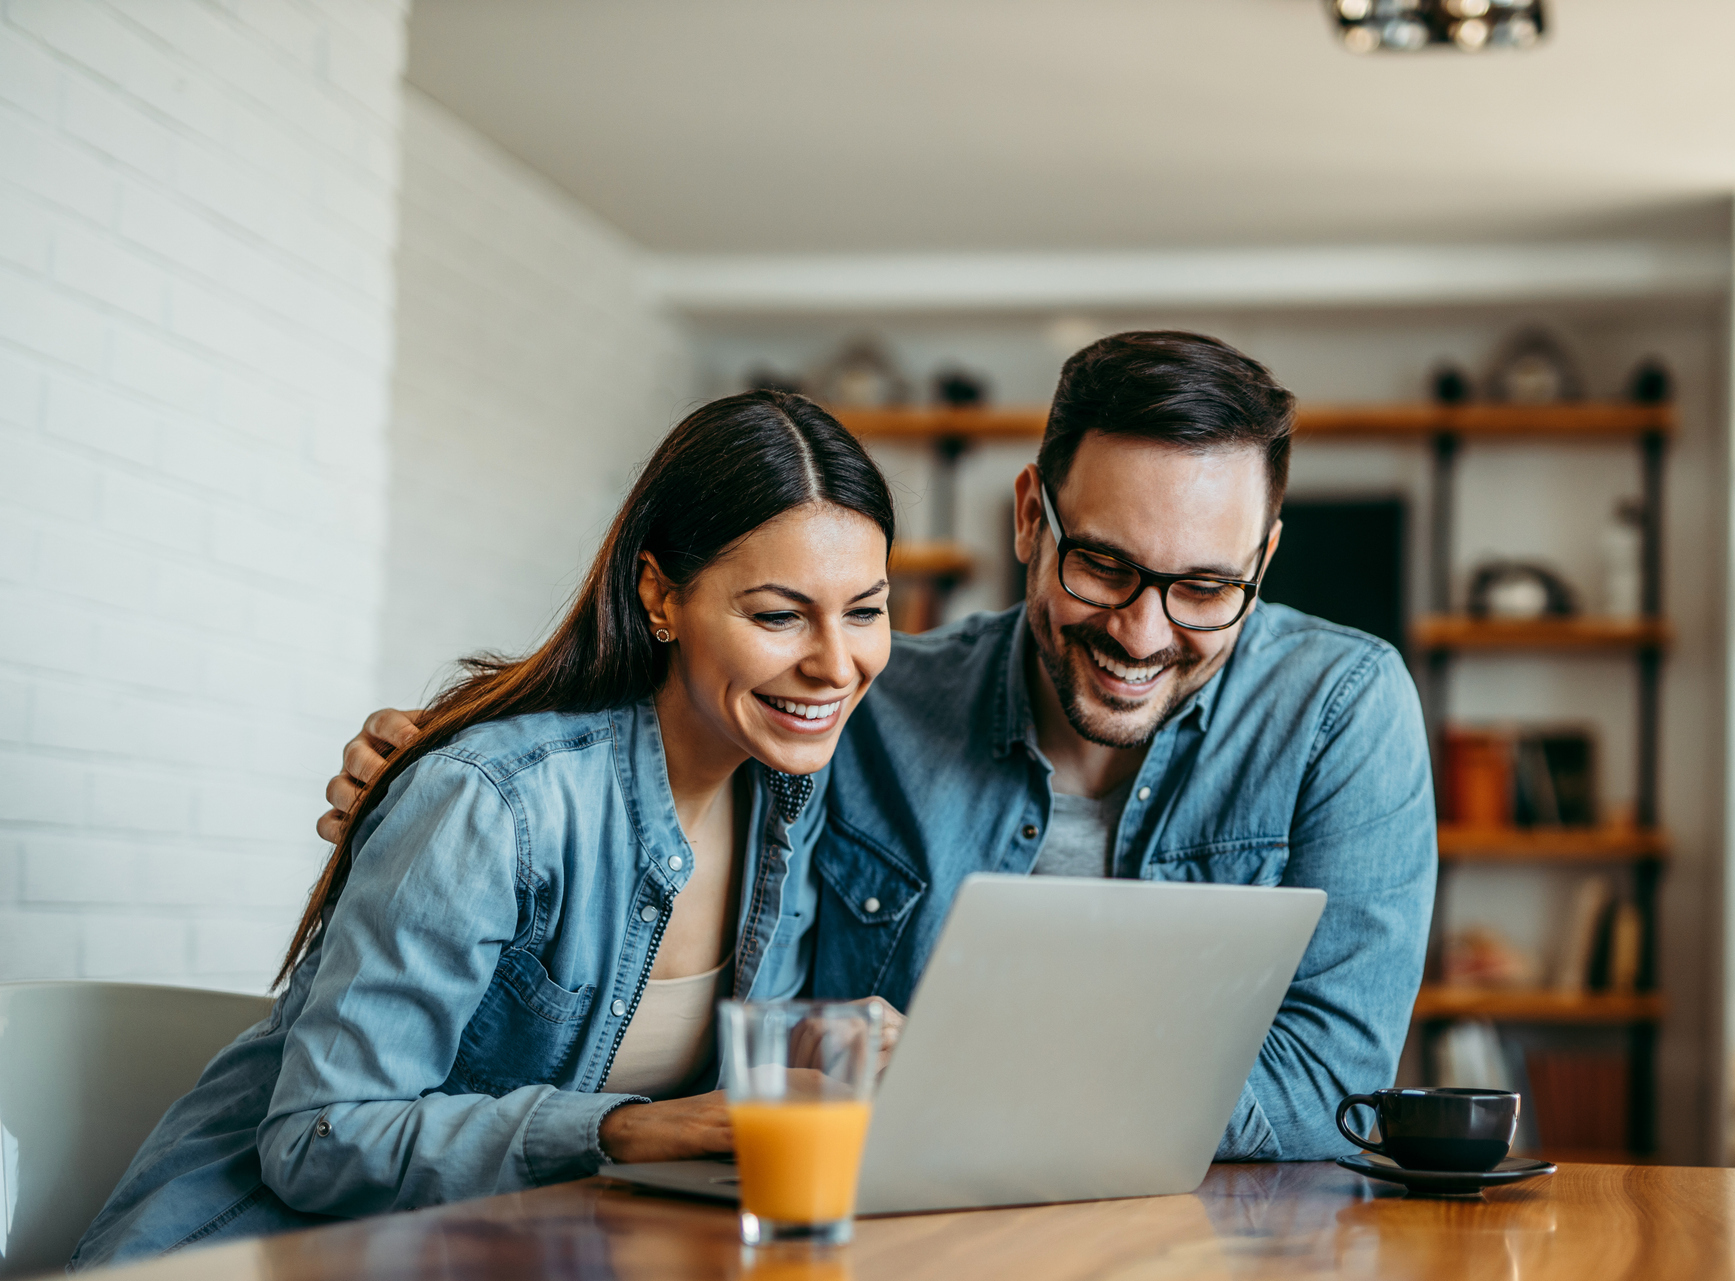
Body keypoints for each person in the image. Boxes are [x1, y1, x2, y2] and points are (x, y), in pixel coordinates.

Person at [327, 332, 1437, 1165]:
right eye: (1100, 565)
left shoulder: (1340, 707)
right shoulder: (868, 700)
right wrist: (454, 764)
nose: (1141, 633)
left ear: (1266, 558)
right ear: (1028, 520)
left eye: (1205, 587)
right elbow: (675, 700)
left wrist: (973, 1079)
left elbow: (1328, 1089)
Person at [73, 391, 902, 1268]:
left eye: (865, 611)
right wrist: (624, 1131)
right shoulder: (495, 803)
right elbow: (320, 1138)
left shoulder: (785, 803)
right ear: (660, 597)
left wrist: (818, 1044)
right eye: (778, 615)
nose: (835, 663)